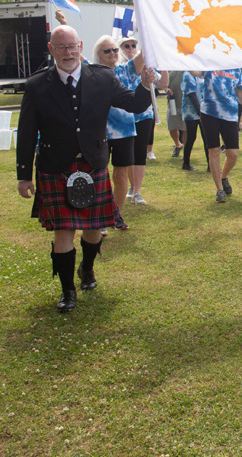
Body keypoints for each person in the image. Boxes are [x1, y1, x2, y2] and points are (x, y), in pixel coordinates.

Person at [16, 25, 157, 312]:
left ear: (80, 46)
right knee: (64, 231)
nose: (68, 53)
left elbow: (134, 104)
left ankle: (87, 268)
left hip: (91, 163)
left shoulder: (103, 77)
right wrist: (23, 174)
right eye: (61, 47)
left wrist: (144, 84)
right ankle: (68, 291)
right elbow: (27, 131)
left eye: (72, 47)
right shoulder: (37, 85)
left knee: (94, 229)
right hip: (55, 166)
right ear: (51, 49)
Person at [117, 35, 167, 205]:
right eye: (126, 46)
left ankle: (137, 190)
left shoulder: (144, 66)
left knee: (139, 153)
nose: (130, 48)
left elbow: (163, 83)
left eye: (133, 45)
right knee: (128, 155)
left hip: (144, 114)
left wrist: (164, 65)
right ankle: (131, 187)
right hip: (124, 117)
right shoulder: (117, 68)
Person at [191, 68, 242, 202]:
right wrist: (185, 57)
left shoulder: (235, 68)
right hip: (209, 113)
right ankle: (219, 190)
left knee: (233, 154)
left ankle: (223, 176)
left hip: (230, 114)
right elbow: (195, 72)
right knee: (214, 150)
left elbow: (240, 91)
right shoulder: (210, 63)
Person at [92, 35, 135, 226]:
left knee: (120, 175)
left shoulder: (126, 70)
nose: (113, 53)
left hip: (124, 131)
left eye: (115, 49)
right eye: (107, 51)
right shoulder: (91, 73)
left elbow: (142, 57)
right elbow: (72, 53)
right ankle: (99, 217)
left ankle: (116, 214)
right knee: (99, 176)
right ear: (98, 55)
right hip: (98, 131)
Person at [180, 71, 204, 171]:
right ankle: (186, 163)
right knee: (191, 137)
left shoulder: (201, 73)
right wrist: (200, 113)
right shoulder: (187, 74)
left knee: (206, 137)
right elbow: (191, 94)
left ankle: (210, 165)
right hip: (191, 111)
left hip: (203, 110)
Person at [166, 69, 186, 157]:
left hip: (186, 105)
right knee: (172, 127)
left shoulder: (189, 71)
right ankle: (178, 144)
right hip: (173, 104)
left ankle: (187, 148)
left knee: (186, 128)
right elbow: (166, 85)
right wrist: (167, 89)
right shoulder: (173, 72)